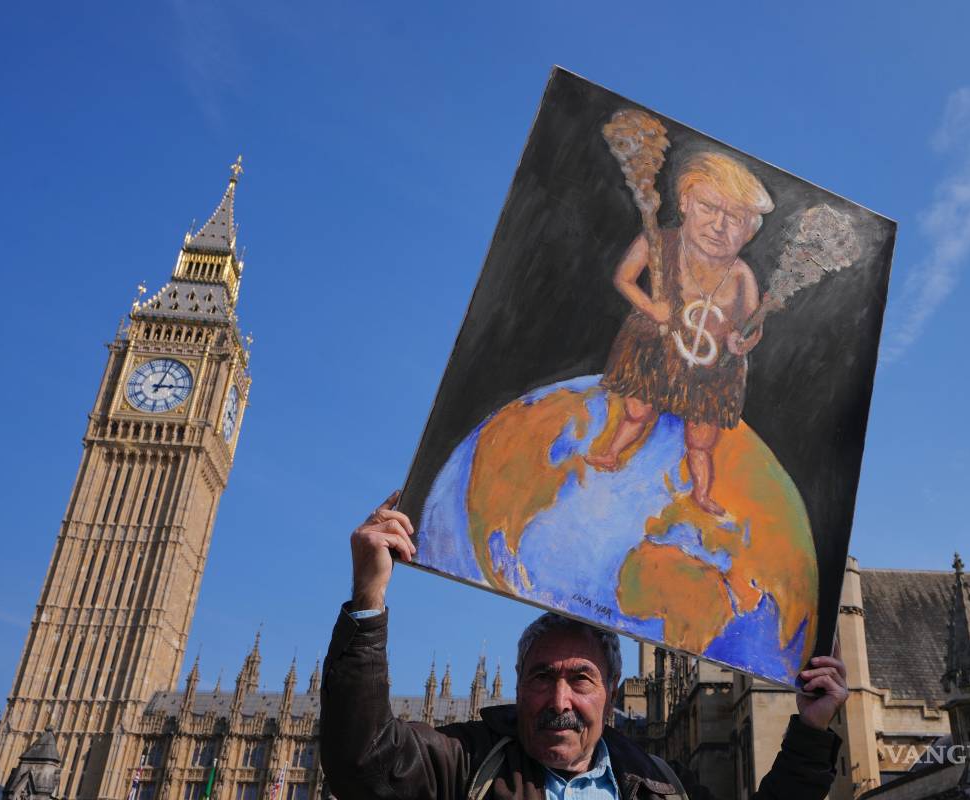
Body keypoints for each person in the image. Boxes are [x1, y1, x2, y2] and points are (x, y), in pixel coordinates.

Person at [321, 493, 848, 799]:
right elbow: (364, 761)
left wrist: (811, 729)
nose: (560, 701)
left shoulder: (658, 784)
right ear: (518, 683)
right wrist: (369, 594)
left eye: (580, 679)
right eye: (543, 677)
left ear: (612, 692)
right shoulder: (466, 765)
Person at [585, 152, 781, 517]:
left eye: (735, 218)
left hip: (711, 371)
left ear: (750, 231)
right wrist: (650, 307)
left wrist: (741, 343)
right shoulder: (658, 243)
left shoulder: (741, 275)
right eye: (709, 207)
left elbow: (751, 328)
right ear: (687, 202)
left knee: (701, 440)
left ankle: (702, 494)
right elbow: (623, 279)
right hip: (657, 353)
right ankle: (611, 453)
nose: (719, 226)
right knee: (637, 410)